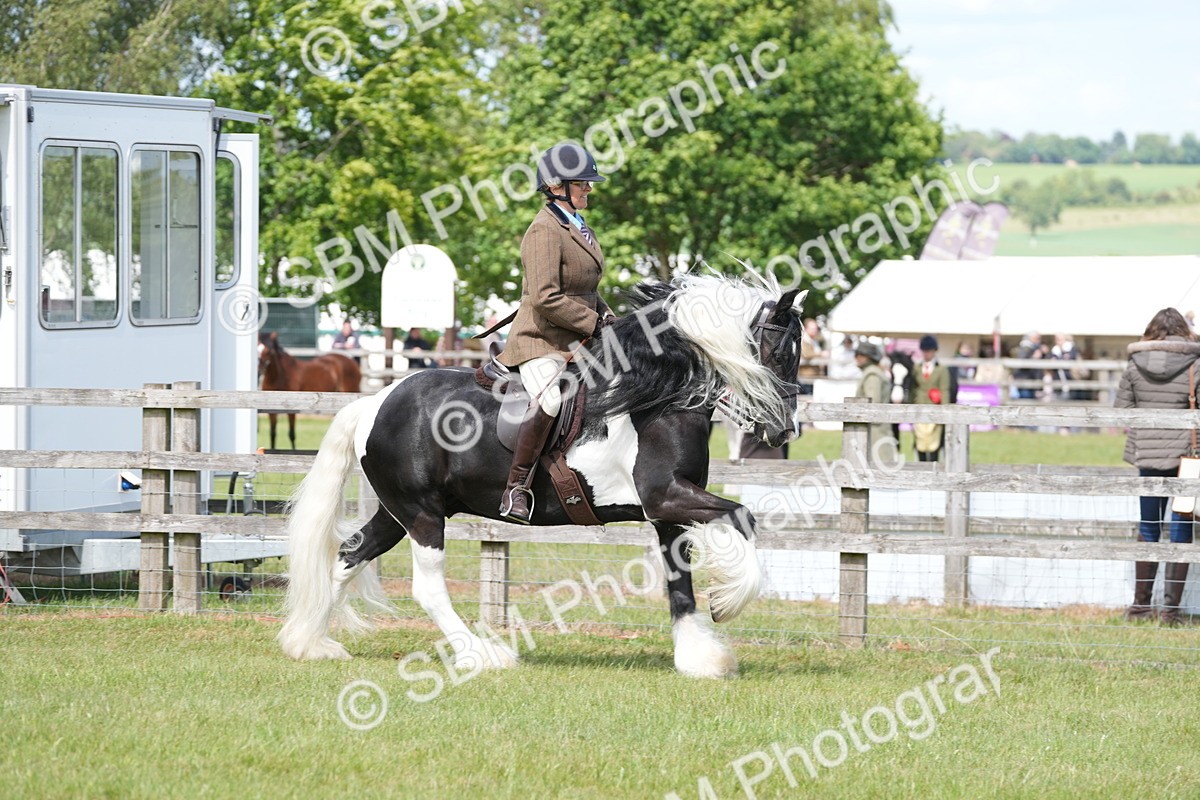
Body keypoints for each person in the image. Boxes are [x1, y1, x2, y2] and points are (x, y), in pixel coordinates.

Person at [497, 142, 615, 524]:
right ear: (555, 185)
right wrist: (593, 323)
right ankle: (517, 488)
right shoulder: (543, 230)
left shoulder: (581, 227)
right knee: (552, 398)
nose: (589, 189)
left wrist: (609, 316)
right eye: (583, 182)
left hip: (577, 340)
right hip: (540, 341)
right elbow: (546, 298)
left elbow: (588, 291)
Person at [1114, 308, 1200, 624]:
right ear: (1184, 331)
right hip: (1185, 459)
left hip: (1146, 454)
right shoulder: (1195, 364)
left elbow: (1120, 412)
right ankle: (1171, 612)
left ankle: (1139, 607)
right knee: (1181, 529)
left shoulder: (1134, 365)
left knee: (1148, 527)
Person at [853, 341, 895, 463]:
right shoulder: (872, 373)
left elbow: (871, 403)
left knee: (878, 468)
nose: (857, 358)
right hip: (875, 429)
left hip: (875, 431)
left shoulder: (872, 375)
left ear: (867, 357)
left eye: (860, 355)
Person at [912, 334, 952, 462]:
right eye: (924, 351)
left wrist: (944, 410)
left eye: (929, 351)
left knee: (934, 443)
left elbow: (944, 390)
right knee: (920, 442)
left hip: (935, 408)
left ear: (934, 351)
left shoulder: (941, 370)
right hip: (919, 408)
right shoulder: (916, 368)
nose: (926, 354)